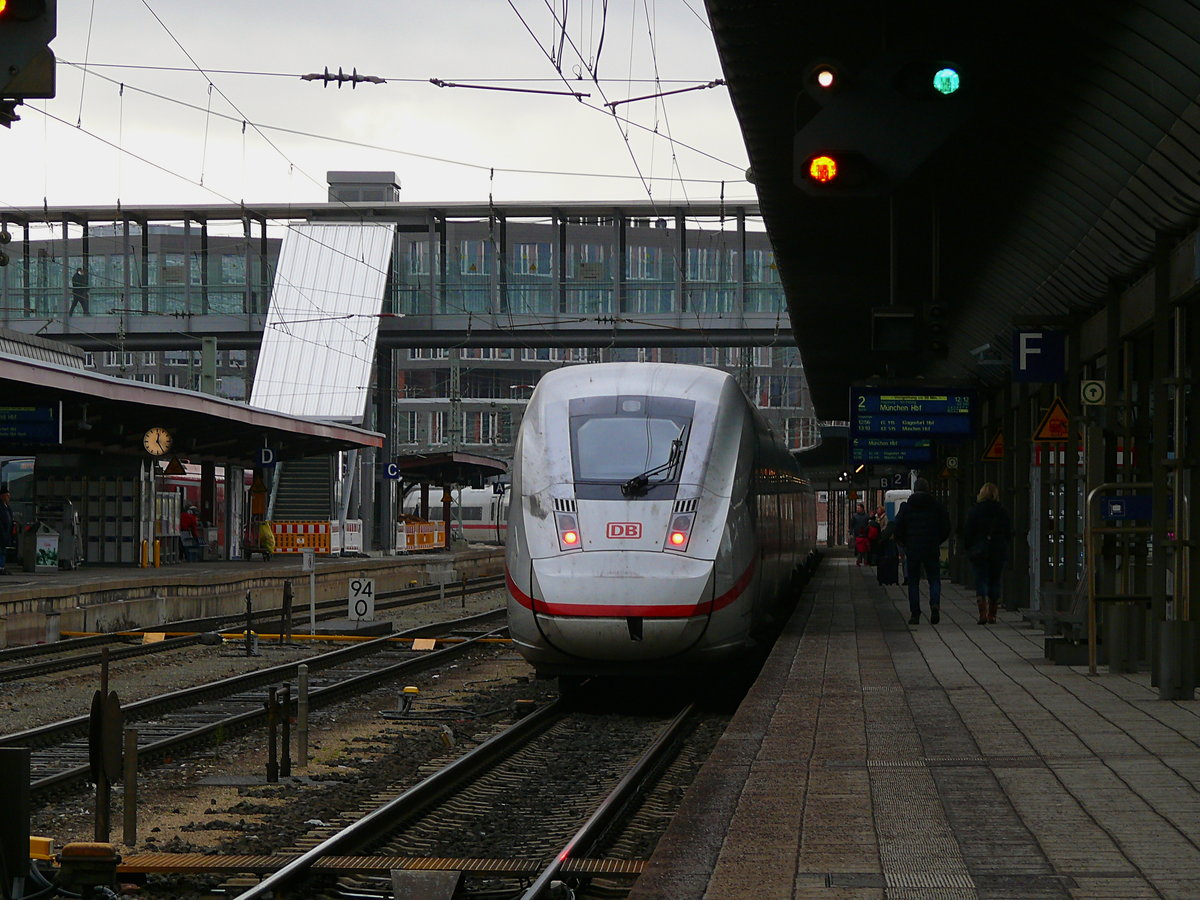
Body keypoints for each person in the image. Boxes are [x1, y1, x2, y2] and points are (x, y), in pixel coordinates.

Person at [892, 477, 951, 625]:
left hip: (912, 549)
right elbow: (946, 527)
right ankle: (935, 604)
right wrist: (937, 540)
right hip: (931, 548)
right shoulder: (937, 506)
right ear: (928, 489)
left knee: (913, 582)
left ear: (915, 489)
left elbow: (897, 527)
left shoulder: (906, 507)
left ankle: (915, 614)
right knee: (934, 579)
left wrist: (905, 542)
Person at [962, 482, 1012, 624]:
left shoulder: (975, 511)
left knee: (981, 580)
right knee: (995, 581)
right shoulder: (1002, 511)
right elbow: (1008, 532)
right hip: (997, 551)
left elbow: (968, 532)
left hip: (979, 551)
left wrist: (969, 548)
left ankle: (982, 613)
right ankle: (993, 614)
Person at [849, 501, 870, 566]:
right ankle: (860, 559)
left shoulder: (866, 516)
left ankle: (863, 560)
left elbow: (868, 524)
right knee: (858, 547)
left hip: (865, 534)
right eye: (857, 508)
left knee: (865, 547)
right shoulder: (855, 516)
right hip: (857, 534)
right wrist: (851, 532)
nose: (857, 509)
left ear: (862, 509)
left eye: (858, 508)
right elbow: (852, 524)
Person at [0, 486, 12, 575]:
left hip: (6, 533)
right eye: (7, 495)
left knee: (3, 550)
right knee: (1, 551)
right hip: (1, 533)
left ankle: (2, 567)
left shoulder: (7, 506)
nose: (8, 497)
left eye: (9, 495)